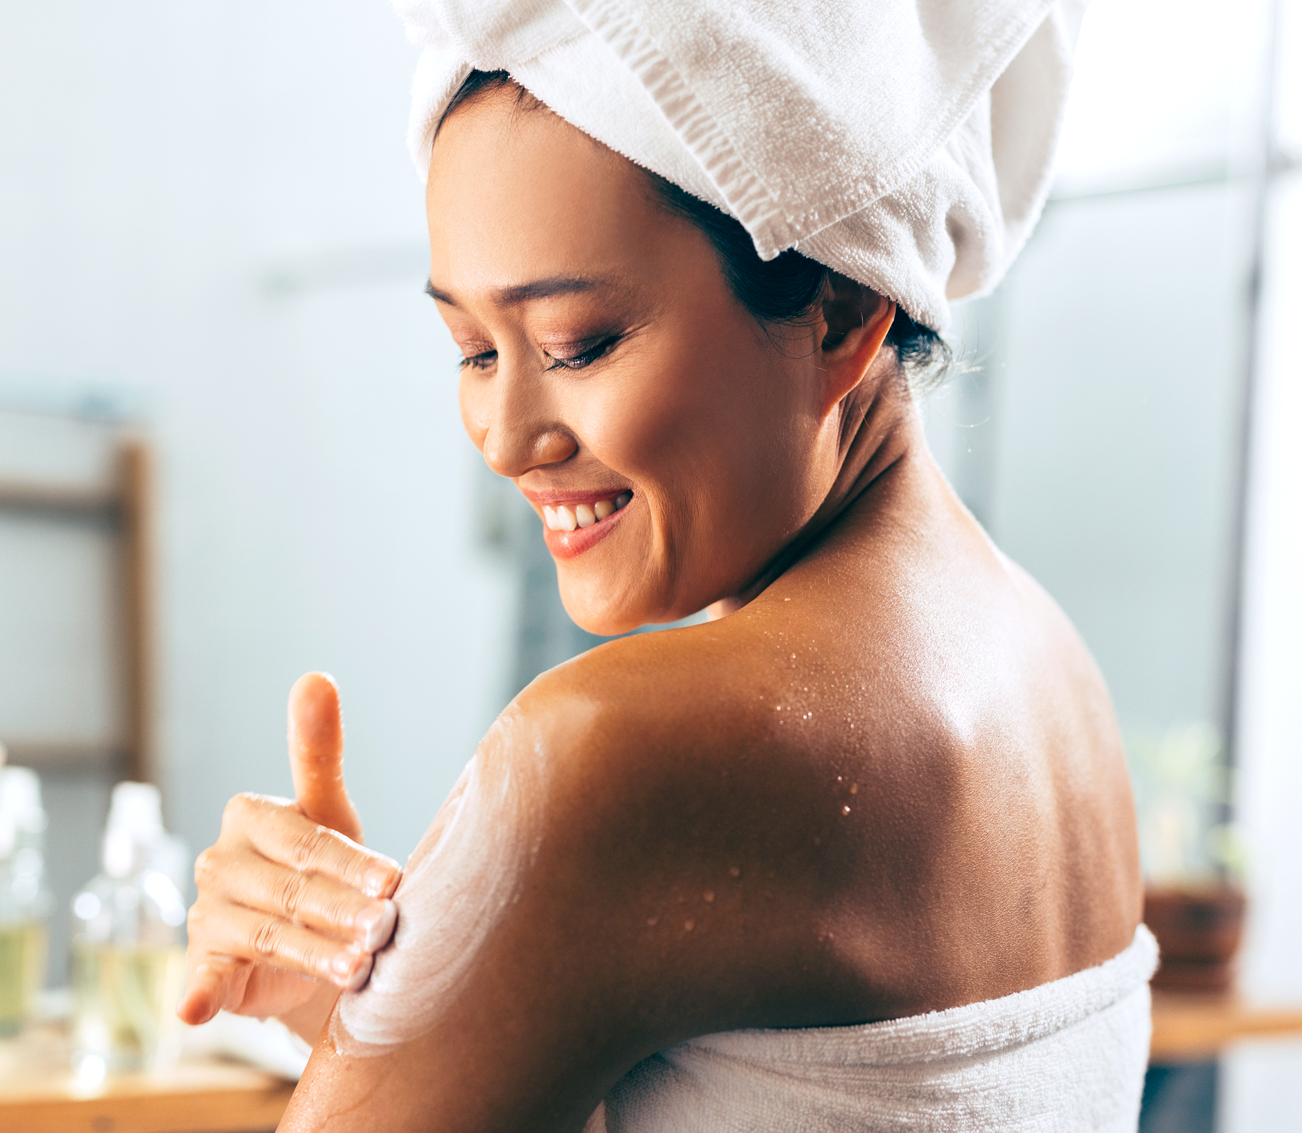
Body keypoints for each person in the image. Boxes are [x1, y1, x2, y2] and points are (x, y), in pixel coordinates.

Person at [183, 1, 1153, 1128]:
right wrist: (360, 1009)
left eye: (576, 343)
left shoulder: (615, 750)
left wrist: (419, 1017)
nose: (504, 437)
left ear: (837, 311)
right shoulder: (1047, 668)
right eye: (472, 350)